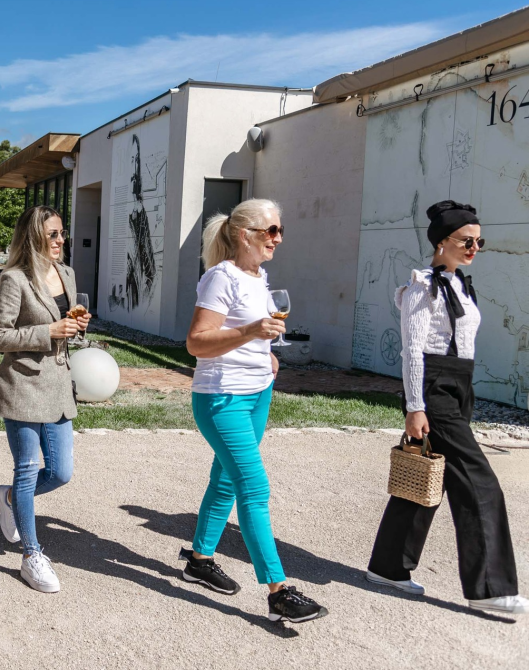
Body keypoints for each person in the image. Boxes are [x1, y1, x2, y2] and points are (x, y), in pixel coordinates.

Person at [366, 201, 526, 615]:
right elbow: (413, 351)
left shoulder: (459, 284)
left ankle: (389, 567)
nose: (474, 247)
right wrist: (415, 406)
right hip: (434, 389)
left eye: (479, 241)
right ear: (441, 241)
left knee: (430, 475)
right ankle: (489, 586)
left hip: (459, 386)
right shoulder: (423, 285)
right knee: (479, 480)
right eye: (465, 240)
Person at [182, 198, 327, 624]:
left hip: (258, 392)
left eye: (280, 230)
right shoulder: (218, 277)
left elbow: (254, 337)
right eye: (271, 231)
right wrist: (250, 332)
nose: (279, 239)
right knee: (255, 488)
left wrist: (266, 355)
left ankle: (199, 558)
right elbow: (197, 342)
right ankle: (279, 591)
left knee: (226, 480)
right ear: (245, 235)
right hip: (221, 398)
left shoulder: (260, 278)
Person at [0, 205, 90, 594]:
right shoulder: (14, 279)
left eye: (62, 232)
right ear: (34, 236)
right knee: (29, 467)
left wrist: (77, 328)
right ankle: (32, 555)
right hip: (24, 385)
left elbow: (69, 334)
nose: (61, 239)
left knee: (61, 472)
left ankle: (10, 497)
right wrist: (48, 330)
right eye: (53, 234)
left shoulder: (66, 274)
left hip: (59, 386)